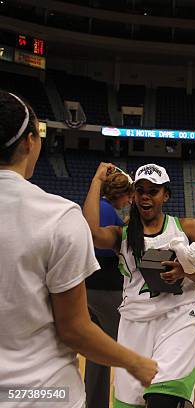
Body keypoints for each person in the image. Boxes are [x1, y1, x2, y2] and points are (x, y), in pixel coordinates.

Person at [0, 90, 157, 408]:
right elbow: (73, 330)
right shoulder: (57, 216)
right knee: (119, 342)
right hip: (41, 392)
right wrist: (137, 363)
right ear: (30, 142)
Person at [83, 161, 195, 408]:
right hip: (134, 326)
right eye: (140, 190)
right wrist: (97, 181)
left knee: (162, 400)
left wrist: (187, 271)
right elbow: (90, 232)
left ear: (165, 195)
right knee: (130, 403)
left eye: (153, 191)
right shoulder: (122, 234)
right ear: (133, 194)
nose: (146, 197)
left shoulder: (186, 227)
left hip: (177, 319)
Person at [85, 168, 133, 408]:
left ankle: (95, 402)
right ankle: (136, 398)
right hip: (107, 288)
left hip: (89, 288)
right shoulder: (106, 210)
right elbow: (102, 248)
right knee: (131, 345)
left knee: (98, 352)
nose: (129, 201)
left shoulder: (103, 209)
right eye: (128, 196)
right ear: (120, 193)